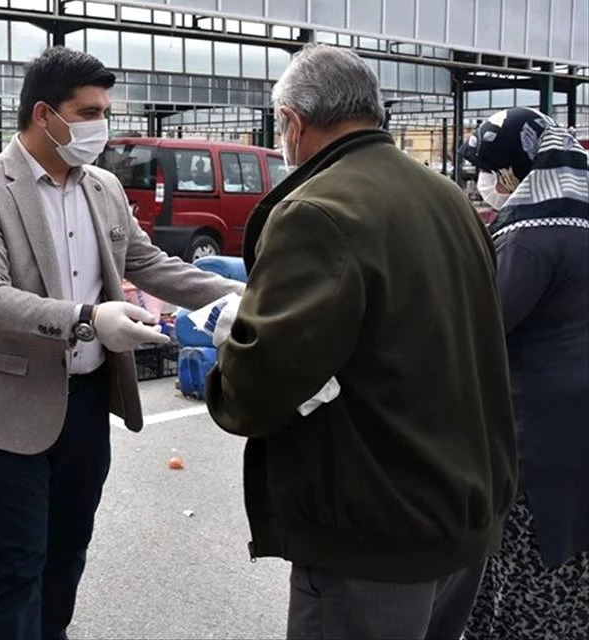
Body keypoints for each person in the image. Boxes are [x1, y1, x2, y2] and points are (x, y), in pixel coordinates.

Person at [205, 44, 517, 640]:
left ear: (293, 124)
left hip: (375, 534)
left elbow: (255, 390)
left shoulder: (317, 211)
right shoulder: (448, 197)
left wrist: (234, 345)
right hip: (462, 512)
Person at [0, 46, 244, 639]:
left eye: (104, 110)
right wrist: (86, 318)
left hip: (85, 404)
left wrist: (236, 295)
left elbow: (149, 262)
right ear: (44, 114)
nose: (100, 125)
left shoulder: (101, 186)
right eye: (88, 112)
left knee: (67, 555)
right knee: (14, 568)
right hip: (8, 411)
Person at [459, 108, 589, 640]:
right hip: (576, 425)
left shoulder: (532, 237)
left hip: (538, 435)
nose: (485, 186)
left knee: (527, 579)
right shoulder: (580, 219)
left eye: (490, 171)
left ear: (516, 168)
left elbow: (480, 329)